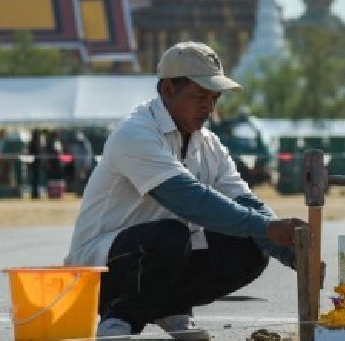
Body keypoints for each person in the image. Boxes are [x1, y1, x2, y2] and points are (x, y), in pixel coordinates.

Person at [65, 41, 306, 340]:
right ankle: (119, 318)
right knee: (172, 234)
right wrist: (266, 228)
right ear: (168, 89)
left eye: (214, 98)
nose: (209, 107)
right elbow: (188, 199)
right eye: (200, 96)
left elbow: (246, 202)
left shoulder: (208, 143)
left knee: (250, 249)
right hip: (98, 270)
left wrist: (291, 253)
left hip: (157, 256)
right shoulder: (135, 133)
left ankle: (170, 307)